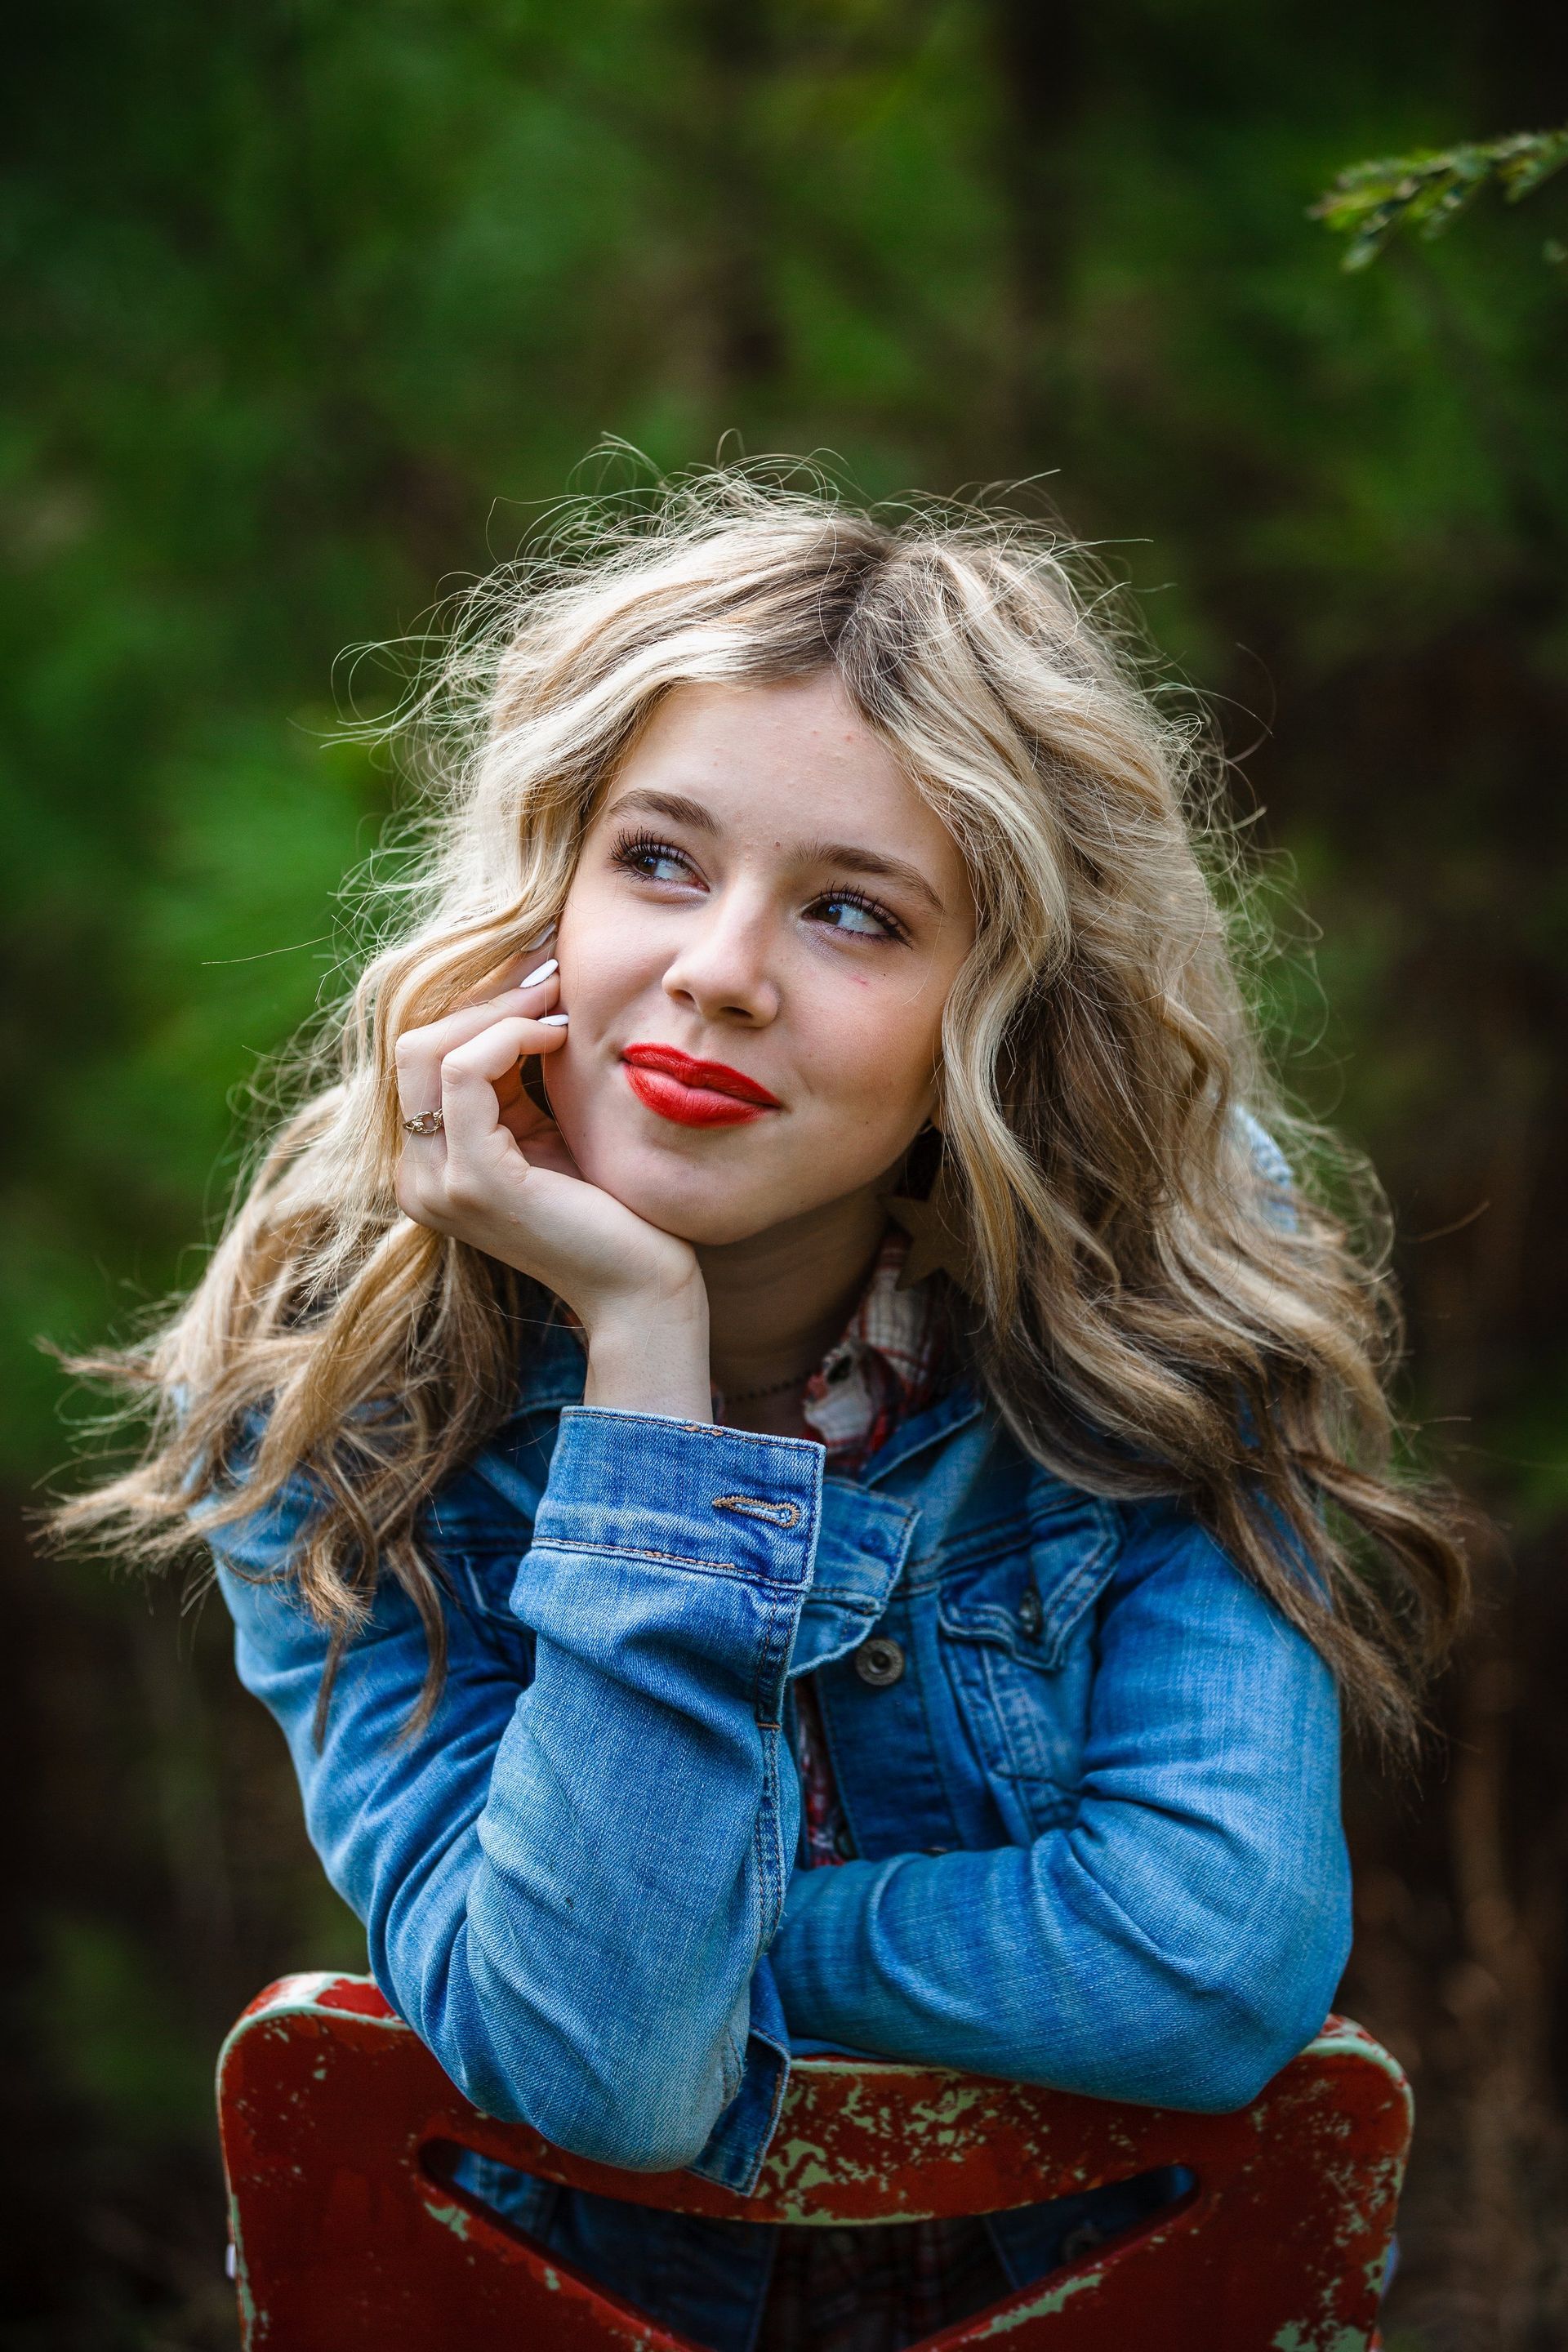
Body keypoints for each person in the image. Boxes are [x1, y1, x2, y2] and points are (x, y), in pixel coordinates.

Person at [53, 471, 1466, 2352]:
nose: (717, 971)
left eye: (857, 916)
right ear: (544, 883)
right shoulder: (337, 1375)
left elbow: (1204, 1960)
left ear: (1011, 1004)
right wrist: (647, 1355)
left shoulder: (1171, 1271)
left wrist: (672, 1947)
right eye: (657, 859)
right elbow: (608, 2084)